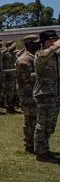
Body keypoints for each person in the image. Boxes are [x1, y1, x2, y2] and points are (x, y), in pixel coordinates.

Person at [33, 30, 60, 163]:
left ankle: (45, 149)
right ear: (46, 42)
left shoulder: (55, 56)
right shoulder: (40, 54)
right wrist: (55, 46)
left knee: (50, 125)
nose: (55, 42)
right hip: (44, 94)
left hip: (55, 95)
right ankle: (40, 152)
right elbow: (43, 56)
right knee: (42, 124)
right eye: (52, 40)